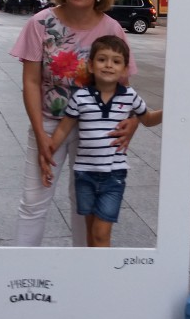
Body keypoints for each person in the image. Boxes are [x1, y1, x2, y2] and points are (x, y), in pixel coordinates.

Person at [9, 0, 139, 247]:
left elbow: (123, 85)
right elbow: (30, 81)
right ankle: (20, 273)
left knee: (85, 207)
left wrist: (132, 121)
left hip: (96, 130)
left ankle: (84, 276)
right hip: (50, 126)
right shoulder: (40, 24)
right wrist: (40, 133)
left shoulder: (113, 29)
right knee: (33, 201)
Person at [40, 36, 162, 247]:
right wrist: (46, 156)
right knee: (90, 232)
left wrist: (173, 110)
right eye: (102, 59)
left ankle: (105, 276)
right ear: (91, 65)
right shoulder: (81, 97)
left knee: (101, 232)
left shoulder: (129, 96)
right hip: (84, 175)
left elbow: (148, 119)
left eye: (116, 61)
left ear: (124, 69)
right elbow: (63, 130)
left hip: (113, 176)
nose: (108, 65)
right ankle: (93, 274)